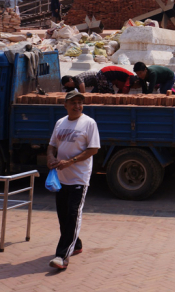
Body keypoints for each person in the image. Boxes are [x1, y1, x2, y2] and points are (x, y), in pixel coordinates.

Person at [47, 90, 100, 270]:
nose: (77, 106)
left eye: (80, 102)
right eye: (73, 102)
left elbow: (93, 149)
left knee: (72, 215)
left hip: (79, 177)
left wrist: (70, 162)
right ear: (66, 105)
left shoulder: (88, 123)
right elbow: (51, 145)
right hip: (61, 178)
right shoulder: (60, 123)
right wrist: (49, 157)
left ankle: (62, 256)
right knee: (63, 216)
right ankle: (75, 244)